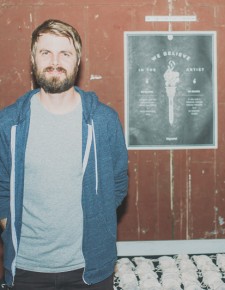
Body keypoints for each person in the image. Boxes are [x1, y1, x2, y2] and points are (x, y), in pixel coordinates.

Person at [0, 19, 129, 289]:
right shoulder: (9, 123)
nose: (55, 61)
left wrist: (99, 219)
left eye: (65, 53)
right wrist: (6, 223)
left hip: (90, 269)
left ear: (78, 60)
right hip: (26, 269)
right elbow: (1, 186)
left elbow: (117, 184)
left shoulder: (103, 121)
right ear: (33, 58)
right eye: (45, 52)